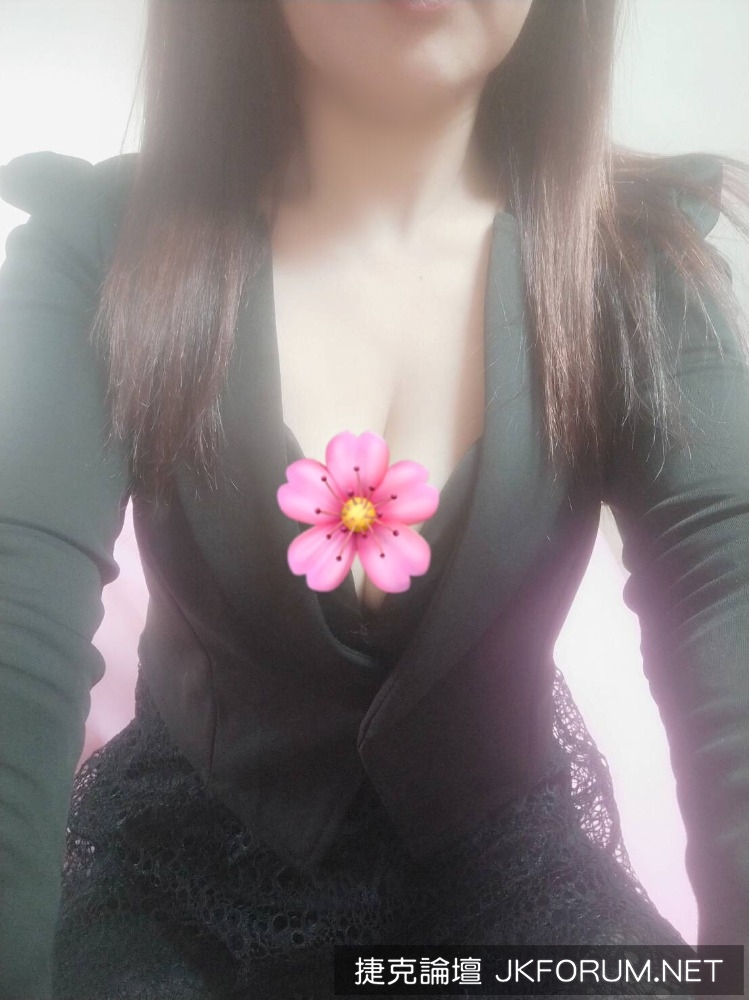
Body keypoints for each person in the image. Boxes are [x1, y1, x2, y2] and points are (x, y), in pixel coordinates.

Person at [0, 2, 747, 998]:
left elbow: (728, 599)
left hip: (516, 896)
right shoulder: (100, 246)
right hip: (177, 888)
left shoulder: (639, 268)